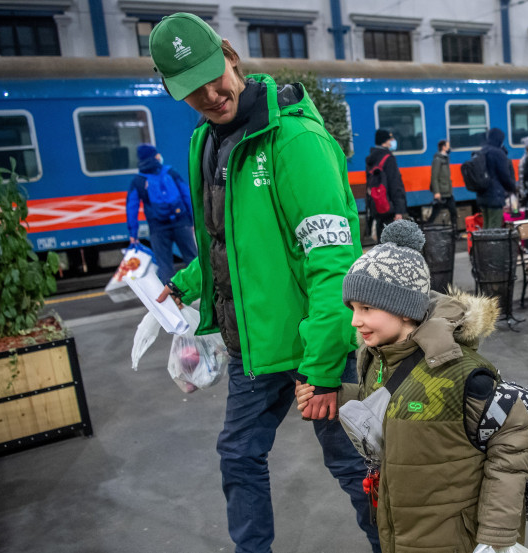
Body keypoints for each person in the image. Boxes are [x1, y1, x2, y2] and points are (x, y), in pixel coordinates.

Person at [147, 13, 380, 552]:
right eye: (191, 89)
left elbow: (333, 263)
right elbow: (226, 240)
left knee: (355, 467)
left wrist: (323, 370)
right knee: (238, 454)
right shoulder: (207, 142)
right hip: (252, 348)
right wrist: (187, 281)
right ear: (172, 91)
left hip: (314, 344)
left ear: (232, 56)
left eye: (214, 74)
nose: (210, 94)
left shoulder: (294, 140)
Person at [294, 220, 528, 553]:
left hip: (453, 539)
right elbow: (391, 403)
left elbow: (513, 440)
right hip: (401, 532)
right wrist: (337, 396)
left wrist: (496, 535)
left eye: (366, 308)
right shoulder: (378, 359)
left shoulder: (459, 371)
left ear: (403, 309)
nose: (354, 320)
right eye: (352, 308)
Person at [126, 143, 197, 284]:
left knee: (165, 265)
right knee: (192, 258)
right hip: (181, 222)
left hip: (157, 227)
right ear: (155, 156)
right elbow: (187, 196)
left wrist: (133, 234)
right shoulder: (171, 172)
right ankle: (203, 290)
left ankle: (170, 299)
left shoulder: (138, 180)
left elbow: (131, 208)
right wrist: (192, 220)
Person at [366, 128, 408, 241]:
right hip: (389, 207)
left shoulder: (371, 159)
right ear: (385, 141)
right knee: (393, 243)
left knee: (382, 240)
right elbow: (395, 184)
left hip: (377, 205)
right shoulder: (388, 159)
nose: (392, 141)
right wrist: (399, 210)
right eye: (390, 139)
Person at [476, 127, 517, 228]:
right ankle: (491, 244)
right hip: (495, 195)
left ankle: (483, 244)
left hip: (482, 195)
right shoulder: (498, 153)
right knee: (494, 227)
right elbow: (504, 176)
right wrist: (513, 188)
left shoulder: (482, 151)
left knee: (486, 224)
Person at [428, 139, 457, 228]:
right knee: (435, 213)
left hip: (448, 192)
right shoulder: (438, 160)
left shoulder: (445, 159)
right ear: (443, 147)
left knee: (453, 212)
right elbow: (434, 177)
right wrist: (436, 192)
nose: (449, 148)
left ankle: (454, 232)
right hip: (441, 192)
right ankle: (426, 229)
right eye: (448, 146)